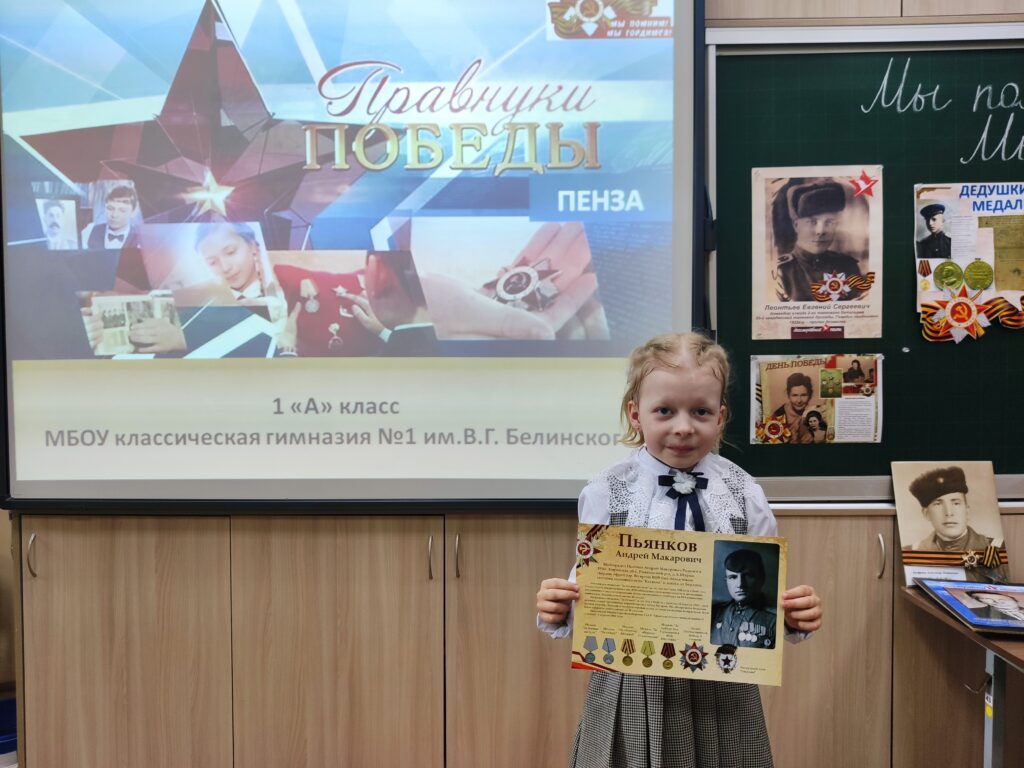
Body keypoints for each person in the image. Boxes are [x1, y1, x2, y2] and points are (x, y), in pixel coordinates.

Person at [535, 332, 822, 768]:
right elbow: (593, 590)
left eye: (700, 411)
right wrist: (559, 607)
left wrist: (792, 616)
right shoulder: (607, 491)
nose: (683, 427)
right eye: (665, 411)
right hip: (631, 680)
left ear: (720, 417)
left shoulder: (744, 493)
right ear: (635, 414)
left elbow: (763, 597)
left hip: (722, 683)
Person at [770, 179, 865, 302]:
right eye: (812, 222)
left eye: (830, 222)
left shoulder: (848, 266)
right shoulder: (781, 272)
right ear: (796, 225)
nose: (820, 231)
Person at [909, 466, 996, 551]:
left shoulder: (994, 549)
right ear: (926, 514)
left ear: (967, 511)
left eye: (956, 503)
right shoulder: (911, 551)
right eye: (938, 504)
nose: (949, 513)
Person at [710, 549, 778, 648]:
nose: (740, 584)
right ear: (726, 580)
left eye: (748, 576)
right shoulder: (715, 612)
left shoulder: (774, 619)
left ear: (761, 579)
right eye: (733, 577)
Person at [82, 185, 138, 249]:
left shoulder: (141, 238)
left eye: (122, 210)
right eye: (110, 208)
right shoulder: (89, 231)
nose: (114, 215)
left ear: (133, 212)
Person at [771, 372, 814, 445]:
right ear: (788, 395)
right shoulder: (777, 416)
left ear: (810, 395)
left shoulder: (816, 412)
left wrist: (814, 435)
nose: (799, 400)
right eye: (794, 395)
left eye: (803, 395)